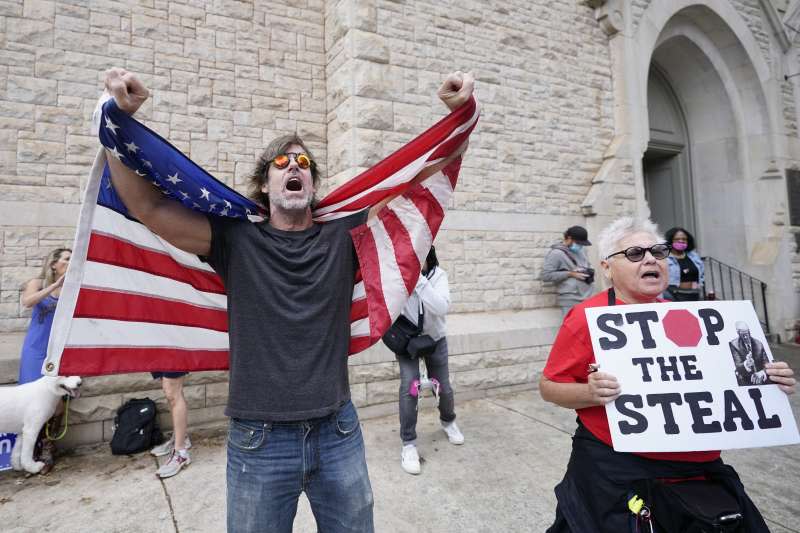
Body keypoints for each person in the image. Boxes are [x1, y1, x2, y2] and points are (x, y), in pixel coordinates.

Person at [102, 67, 473, 533]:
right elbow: (150, 208)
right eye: (281, 164)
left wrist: (459, 117)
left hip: (338, 431)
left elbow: (423, 174)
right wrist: (116, 119)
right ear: (265, 185)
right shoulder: (235, 240)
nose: (293, 167)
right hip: (258, 441)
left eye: (302, 164)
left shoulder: (346, 235)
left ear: (313, 184)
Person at [538, 217, 796, 532]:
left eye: (658, 252)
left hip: (698, 472)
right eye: (635, 253)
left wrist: (769, 379)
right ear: (607, 267)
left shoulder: (687, 316)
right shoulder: (585, 318)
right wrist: (589, 394)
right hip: (617, 471)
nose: (650, 259)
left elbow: (725, 378)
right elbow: (549, 386)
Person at [396, 246, 463, 476]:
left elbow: (441, 307)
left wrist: (419, 282)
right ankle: (408, 443)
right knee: (410, 387)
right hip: (408, 342)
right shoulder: (398, 275)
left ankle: (448, 421)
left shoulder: (438, 276)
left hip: (435, 339)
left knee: (442, 386)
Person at [18, 247, 72, 474]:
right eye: (67, 259)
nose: (70, 263)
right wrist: (54, 286)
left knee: (57, 403)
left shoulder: (73, 288)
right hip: (36, 349)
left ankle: (48, 449)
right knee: (30, 401)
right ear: (54, 264)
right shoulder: (37, 282)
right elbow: (27, 302)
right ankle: (29, 450)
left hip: (59, 352)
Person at [541, 225, 595, 316]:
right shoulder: (556, 253)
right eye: (578, 243)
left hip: (587, 296)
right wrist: (570, 273)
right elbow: (546, 276)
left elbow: (587, 264)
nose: (581, 246)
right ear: (569, 238)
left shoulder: (581, 250)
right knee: (572, 328)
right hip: (570, 299)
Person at [149, 371, 192, 478]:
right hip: (159, 353)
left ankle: (181, 452)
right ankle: (181, 438)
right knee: (169, 392)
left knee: (172, 391)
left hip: (176, 354)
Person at [664, 226, 704, 301]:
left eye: (684, 239)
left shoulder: (694, 256)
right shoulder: (665, 258)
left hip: (694, 294)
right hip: (672, 296)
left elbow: (701, 275)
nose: (681, 241)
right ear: (670, 241)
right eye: (677, 239)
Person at [729, 321, 770, 386]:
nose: (745, 337)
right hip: (745, 381)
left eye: (746, 334)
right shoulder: (733, 345)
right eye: (743, 335)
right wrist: (746, 364)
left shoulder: (758, 344)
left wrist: (762, 372)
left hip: (762, 379)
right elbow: (737, 365)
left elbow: (767, 364)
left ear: (749, 332)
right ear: (738, 333)